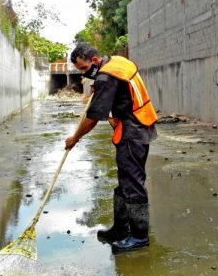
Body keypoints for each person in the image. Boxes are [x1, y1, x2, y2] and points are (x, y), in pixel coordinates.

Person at [65, 42, 158, 253]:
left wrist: (75, 138)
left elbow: (92, 119)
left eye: (83, 68)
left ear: (95, 61)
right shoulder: (118, 62)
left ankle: (139, 236)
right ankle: (120, 229)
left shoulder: (106, 77)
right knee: (125, 181)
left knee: (132, 182)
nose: (83, 73)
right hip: (139, 124)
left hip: (133, 131)